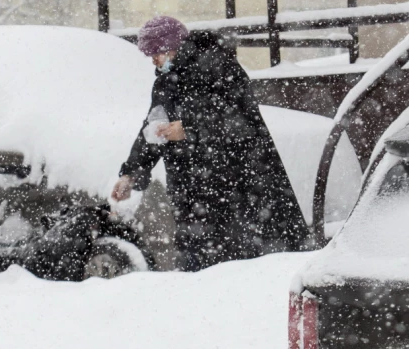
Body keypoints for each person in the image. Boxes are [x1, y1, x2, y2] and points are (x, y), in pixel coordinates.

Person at [111, 16, 307, 271]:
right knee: (199, 272)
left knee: (249, 269)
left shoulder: (219, 66)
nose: (154, 61)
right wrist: (131, 173)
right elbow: (152, 130)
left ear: (173, 47)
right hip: (191, 198)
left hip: (237, 190)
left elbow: (241, 120)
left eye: (156, 54)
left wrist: (190, 129)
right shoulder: (164, 83)